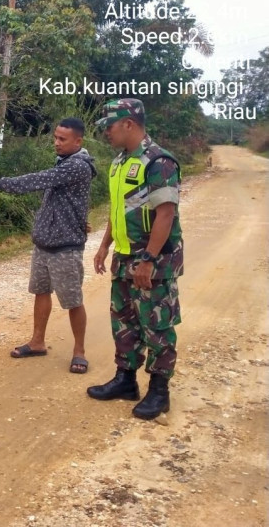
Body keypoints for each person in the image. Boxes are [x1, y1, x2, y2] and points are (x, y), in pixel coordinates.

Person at [0, 118, 97, 373]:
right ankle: (37, 342)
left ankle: (80, 351)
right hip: (44, 243)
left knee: (73, 300)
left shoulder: (77, 166)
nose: (56, 142)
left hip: (65, 246)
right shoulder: (64, 161)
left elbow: (39, 179)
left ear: (78, 141)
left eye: (62, 139)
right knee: (41, 292)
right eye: (55, 137)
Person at [87, 98, 183, 421]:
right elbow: (119, 209)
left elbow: (165, 214)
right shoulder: (119, 162)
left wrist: (149, 260)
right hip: (124, 258)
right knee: (124, 320)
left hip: (151, 262)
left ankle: (159, 391)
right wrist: (104, 246)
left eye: (110, 127)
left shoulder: (158, 162)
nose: (107, 134)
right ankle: (126, 380)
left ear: (129, 124)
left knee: (157, 324)